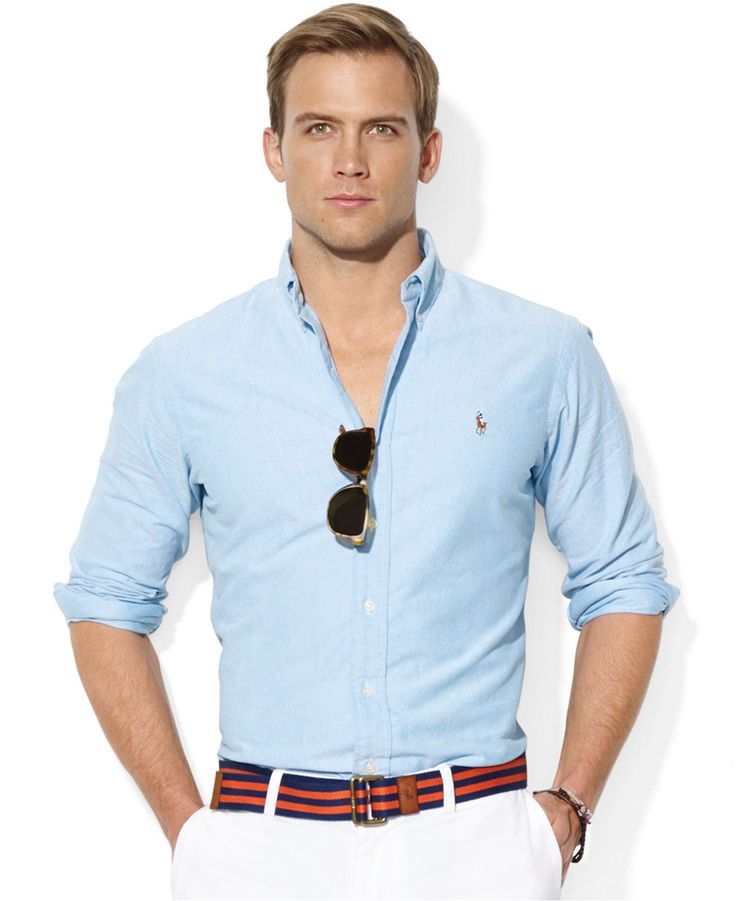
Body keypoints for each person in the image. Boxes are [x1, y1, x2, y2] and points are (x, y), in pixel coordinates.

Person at [53, 4, 680, 899]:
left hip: (476, 845)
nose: (349, 160)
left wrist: (567, 807)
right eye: (319, 128)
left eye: (381, 128)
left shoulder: (542, 356)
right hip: (259, 848)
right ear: (274, 150)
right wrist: (188, 830)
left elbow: (623, 580)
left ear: (428, 152)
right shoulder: (183, 372)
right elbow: (105, 602)